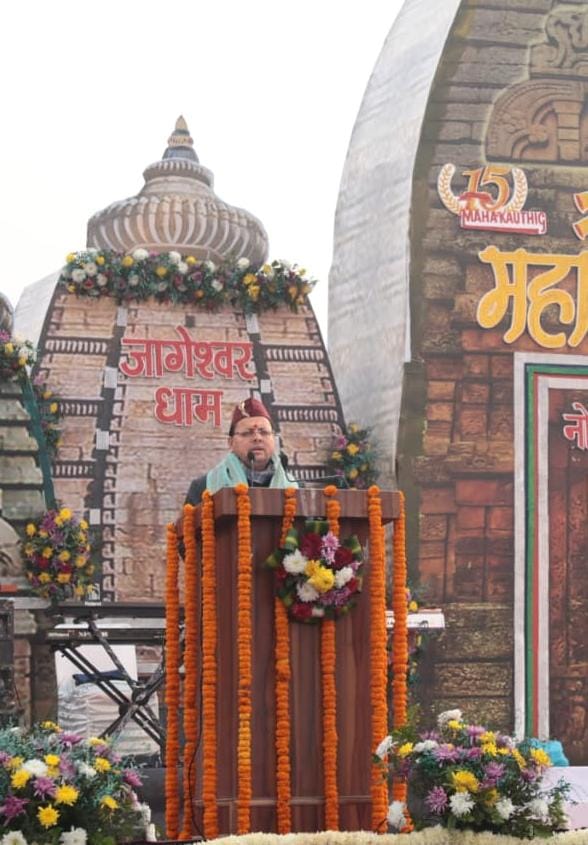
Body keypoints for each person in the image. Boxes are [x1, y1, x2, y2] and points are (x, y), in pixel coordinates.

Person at [185, 397, 298, 505]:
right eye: (247, 433)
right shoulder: (204, 487)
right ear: (231, 442)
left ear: (273, 438)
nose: (257, 438)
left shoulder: (295, 488)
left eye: (264, 432)